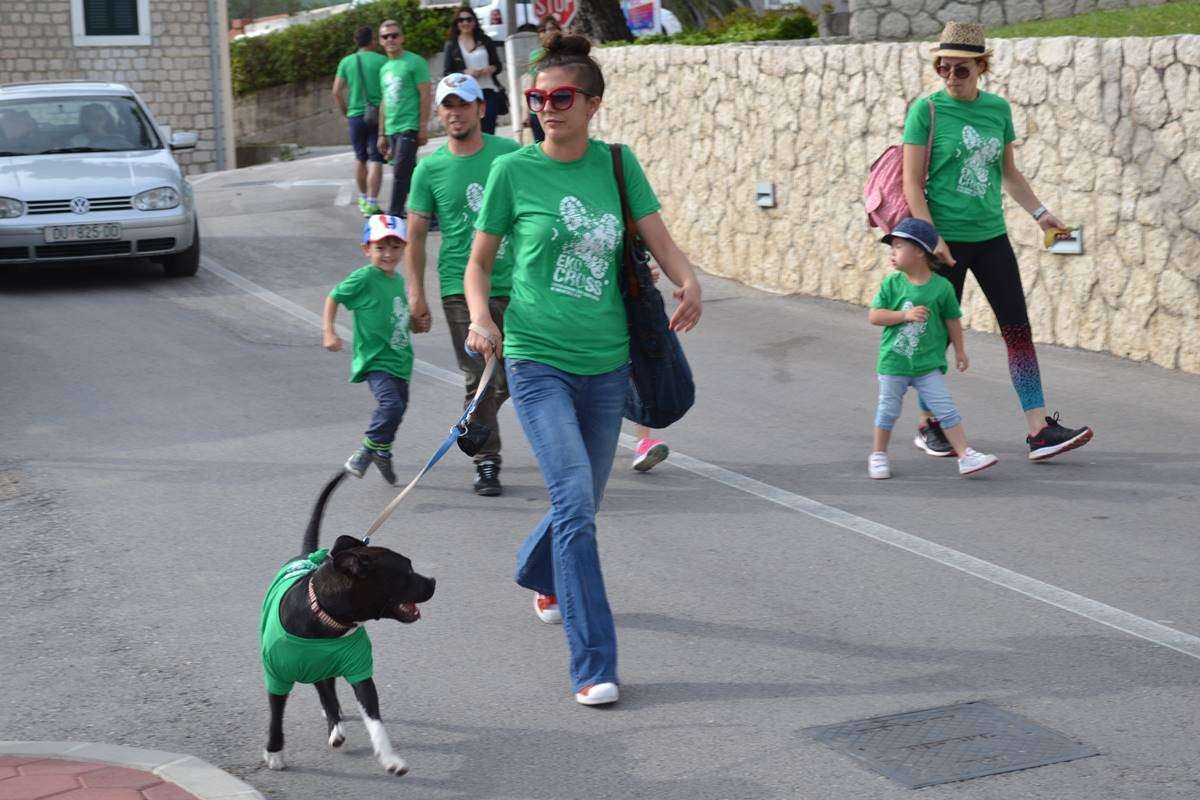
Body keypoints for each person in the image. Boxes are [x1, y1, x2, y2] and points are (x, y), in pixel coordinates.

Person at [463, 33, 702, 706]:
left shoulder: (617, 166)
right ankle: (594, 664)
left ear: (592, 104)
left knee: (583, 502)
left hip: (607, 364)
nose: (546, 108)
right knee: (575, 503)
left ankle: (539, 570)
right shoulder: (513, 171)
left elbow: (658, 238)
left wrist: (688, 281)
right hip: (536, 360)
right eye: (537, 98)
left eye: (561, 97)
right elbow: (478, 262)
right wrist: (482, 319)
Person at [902, 21, 1093, 462]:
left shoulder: (997, 110)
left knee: (1017, 329)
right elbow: (911, 183)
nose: (951, 76)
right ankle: (929, 424)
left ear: (981, 67)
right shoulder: (926, 111)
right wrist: (932, 238)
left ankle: (1039, 430)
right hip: (944, 241)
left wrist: (1042, 215)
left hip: (991, 236)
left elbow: (1008, 173)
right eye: (943, 67)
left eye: (961, 69)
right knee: (938, 335)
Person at [406, 74, 521, 496]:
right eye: (447, 105)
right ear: (439, 113)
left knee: (515, 375)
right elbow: (415, 235)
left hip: (516, 281)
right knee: (479, 375)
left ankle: (475, 425)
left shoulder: (509, 154)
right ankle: (486, 460)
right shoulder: (429, 168)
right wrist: (417, 295)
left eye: (464, 104)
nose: (455, 112)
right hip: (460, 287)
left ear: (481, 108)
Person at [868, 218, 999, 480]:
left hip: (928, 365)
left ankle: (965, 456)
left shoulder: (942, 287)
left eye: (898, 246)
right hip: (894, 363)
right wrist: (904, 316)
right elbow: (875, 316)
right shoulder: (892, 284)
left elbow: (953, 320)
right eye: (892, 247)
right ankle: (878, 454)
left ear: (919, 251)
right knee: (888, 411)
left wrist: (960, 351)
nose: (892, 252)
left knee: (945, 409)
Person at [323, 215, 415, 487]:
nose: (388, 254)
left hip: (400, 360)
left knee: (398, 410)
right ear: (366, 249)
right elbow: (334, 297)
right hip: (376, 360)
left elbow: (396, 315)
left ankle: (383, 453)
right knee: (391, 406)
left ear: (404, 247)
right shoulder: (365, 278)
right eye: (380, 247)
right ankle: (366, 450)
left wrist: (415, 320)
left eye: (395, 247)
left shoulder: (397, 280)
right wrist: (329, 331)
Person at [377, 19, 431, 218]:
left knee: (400, 171)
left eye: (394, 35)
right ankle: (430, 215)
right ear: (380, 41)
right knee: (410, 174)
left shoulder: (415, 62)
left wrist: (422, 126)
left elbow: (425, 95)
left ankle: (394, 213)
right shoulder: (384, 69)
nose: (390, 39)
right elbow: (384, 101)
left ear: (402, 38)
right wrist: (381, 133)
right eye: (385, 36)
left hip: (409, 125)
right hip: (391, 128)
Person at [333, 25, 389, 217]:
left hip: (355, 115)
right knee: (376, 159)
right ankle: (372, 203)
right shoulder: (382, 61)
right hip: (378, 114)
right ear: (373, 40)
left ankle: (363, 199)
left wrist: (346, 112)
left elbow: (336, 91)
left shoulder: (346, 62)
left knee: (360, 157)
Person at [441, 8, 504, 135]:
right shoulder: (452, 45)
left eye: (469, 19)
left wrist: (491, 69)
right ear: (457, 23)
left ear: (474, 21)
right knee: (470, 131)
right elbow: (447, 73)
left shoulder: (485, 40)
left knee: (488, 130)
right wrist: (464, 73)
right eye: (461, 20)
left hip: (488, 91)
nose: (465, 23)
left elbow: (498, 65)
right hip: (465, 94)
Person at [523, 15, 561, 143]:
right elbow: (531, 84)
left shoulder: (565, 53)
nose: (547, 33)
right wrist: (525, 113)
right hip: (538, 108)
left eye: (551, 28)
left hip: (560, 104)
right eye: (543, 30)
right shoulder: (535, 55)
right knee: (540, 145)